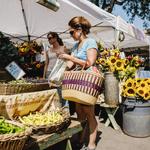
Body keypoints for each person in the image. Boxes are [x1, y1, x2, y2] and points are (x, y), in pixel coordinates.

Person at [59, 16, 98, 150]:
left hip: (87, 82)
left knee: (89, 113)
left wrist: (69, 57)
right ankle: (81, 138)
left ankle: (91, 144)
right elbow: (71, 63)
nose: (71, 35)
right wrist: (61, 68)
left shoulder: (90, 42)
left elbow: (89, 63)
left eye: (71, 32)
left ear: (80, 29)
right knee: (79, 112)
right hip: (76, 83)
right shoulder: (75, 46)